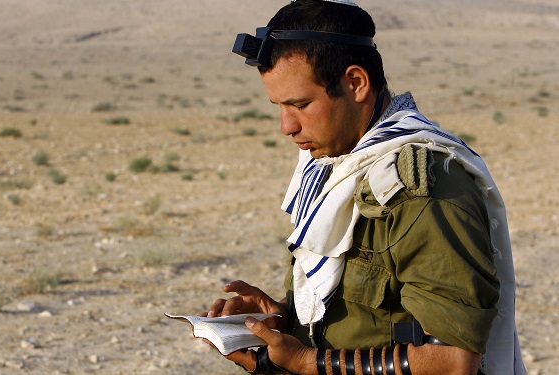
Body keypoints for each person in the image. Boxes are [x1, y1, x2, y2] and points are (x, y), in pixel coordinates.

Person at [199, 0, 526, 374]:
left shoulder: (421, 188)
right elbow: (366, 320)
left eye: (301, 104)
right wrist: (283, 322)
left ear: (356, 83)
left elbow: (452, 361)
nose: (286, 126)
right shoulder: (332, 168)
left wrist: (306, 362)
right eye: (279, 106)